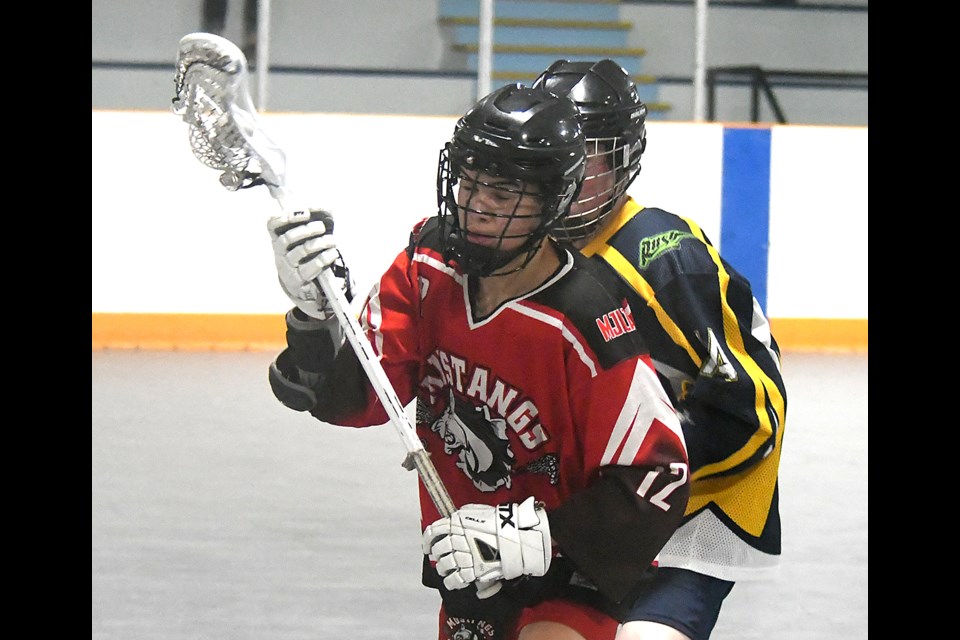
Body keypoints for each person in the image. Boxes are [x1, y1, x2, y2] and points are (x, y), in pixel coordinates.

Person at [264, 83, 691, 640]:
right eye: (470, 180)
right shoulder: (428, 263)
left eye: (506, 189)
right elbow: (359, 399)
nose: (478, 203)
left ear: (554, 200)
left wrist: (537, 537)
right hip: (468, 573)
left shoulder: (587, 321)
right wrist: (316, 318)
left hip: (568, 574)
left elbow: (659, 478)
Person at [532, 59, 788, 640]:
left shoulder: (660, 254)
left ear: (623, 158)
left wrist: (643, 466)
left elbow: (754, 412)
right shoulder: (533, 250)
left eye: (587, 154)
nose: (566, 173)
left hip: (701, 504)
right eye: (555, 153)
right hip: (610, 503)